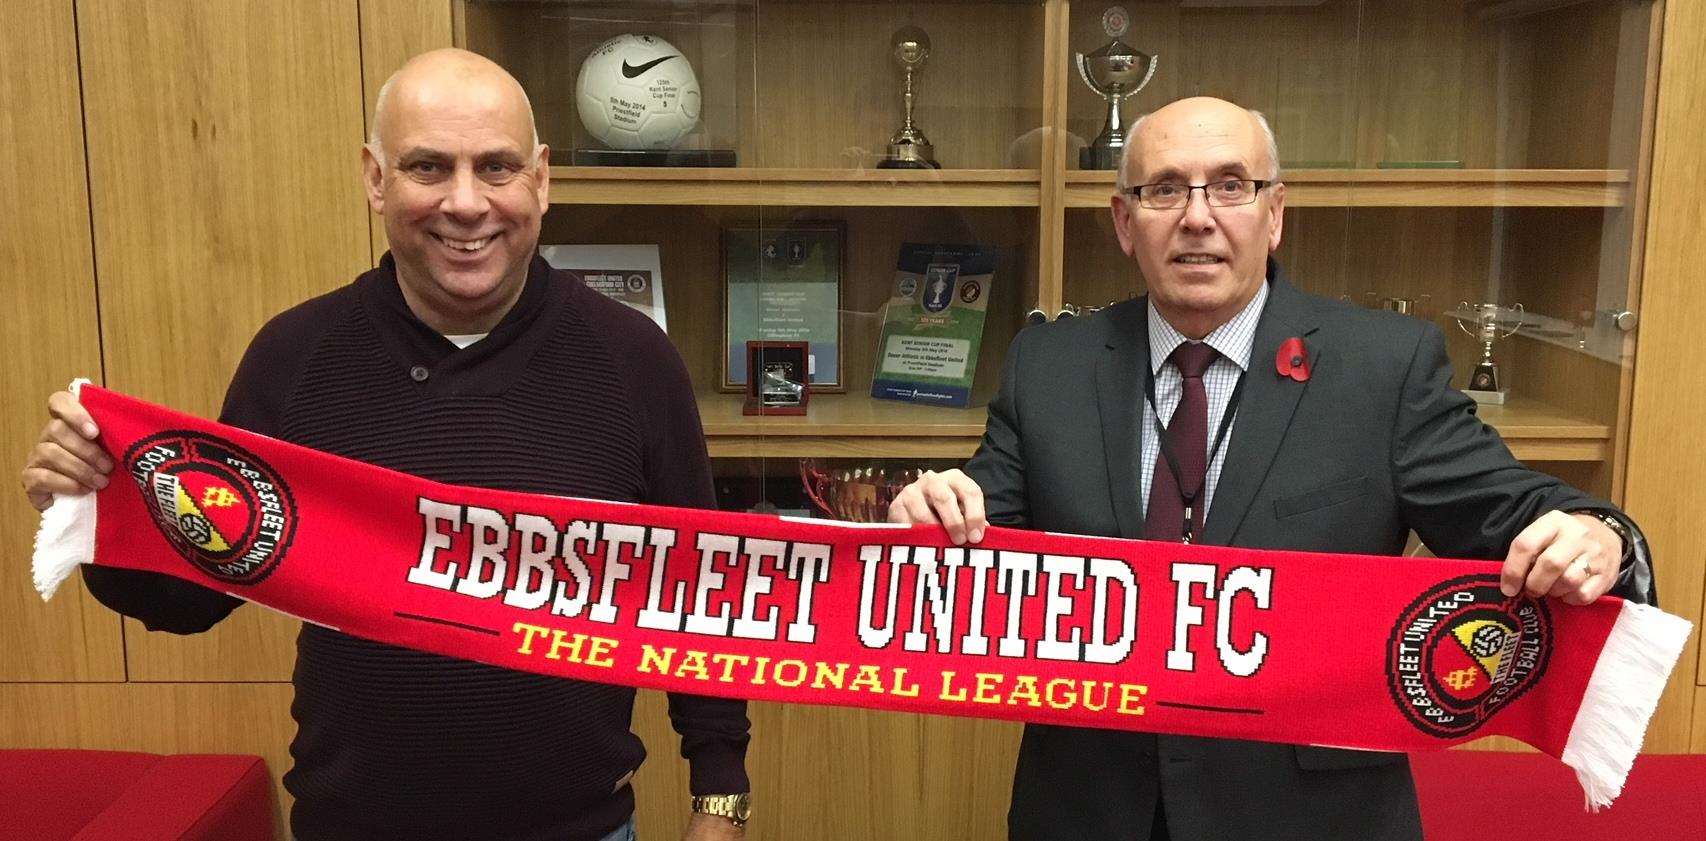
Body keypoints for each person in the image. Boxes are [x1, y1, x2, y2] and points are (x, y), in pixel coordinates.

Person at [20, 49, 750, 841]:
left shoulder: (633, 361)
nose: (465, 203)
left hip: (583, 828)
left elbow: (698, 605)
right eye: (428, 167)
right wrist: (96, 508)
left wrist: (720, 800)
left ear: (541, 179)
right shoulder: (294, 358)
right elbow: (194, 595)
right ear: (375, 179)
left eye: (496, 167)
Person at [886, 96, 1654, 841]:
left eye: (1230, 186)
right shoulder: (1049, 365)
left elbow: (1514, 511)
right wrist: (937, 515)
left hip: (1308, 814)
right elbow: (982, 543)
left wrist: (1598, 535)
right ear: (1126, 222)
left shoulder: (1381, 369)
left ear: (1275, 213)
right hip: (1090, 807)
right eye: (1163, 189)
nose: (1197, 216)